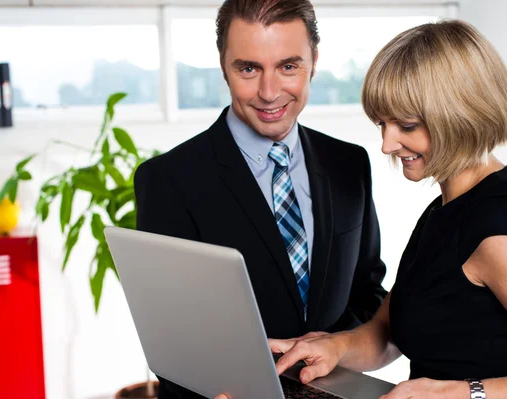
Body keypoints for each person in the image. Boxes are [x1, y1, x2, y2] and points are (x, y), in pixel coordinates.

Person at [228, 19, 507, 399]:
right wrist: (335, 347)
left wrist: (464, 393)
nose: (387, 144)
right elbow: (388, 330)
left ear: (462, 116)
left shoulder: (502, 230)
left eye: (407, 126)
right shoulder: (445, 209)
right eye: (382, 123)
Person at [134, 0, 387, 398]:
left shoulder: (349, 163)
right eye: (248, 69)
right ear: (223, 65)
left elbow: (369, 290)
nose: (269, 93)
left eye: (288, 66)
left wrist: (337, 350)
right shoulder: (169, 179)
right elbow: (171, 335)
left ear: (314, 61)